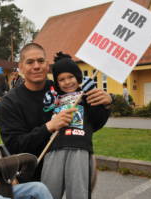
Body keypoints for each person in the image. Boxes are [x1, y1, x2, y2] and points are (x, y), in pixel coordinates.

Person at [0, 43, 113, 180]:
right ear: (21, 67)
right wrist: (49, 127)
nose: (36, 66)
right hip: (32, 176)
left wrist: (106, 104)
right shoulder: (9, 103)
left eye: (40, 61)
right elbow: (14, 146)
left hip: (71, 166)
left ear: (47, 65)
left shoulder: (63, 88)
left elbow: (93, 124)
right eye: (30, 62)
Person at [40, 52, 110, 199]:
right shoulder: (53, 99)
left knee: (79, 193)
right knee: (47, 193)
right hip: (54, 149)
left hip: (80, 149)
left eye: (71, 77)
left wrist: (105, 103)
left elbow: (98, 121)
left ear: (78, 77)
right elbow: (45, 122)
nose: (67, 82)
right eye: (61, 79)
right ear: (57, 82)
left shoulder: (87, 97)